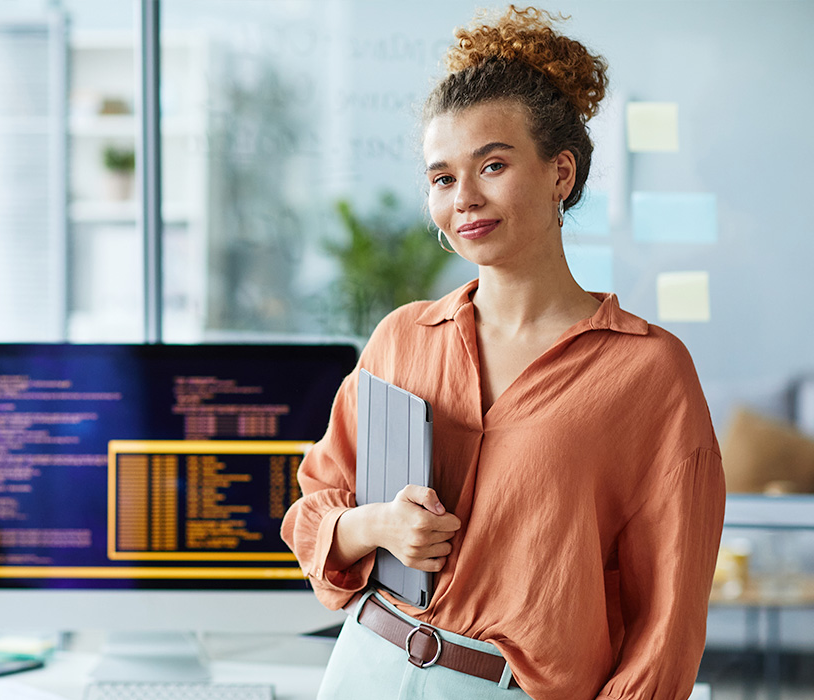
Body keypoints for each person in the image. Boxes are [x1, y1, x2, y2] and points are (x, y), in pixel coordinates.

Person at [281, 6, 725, 700]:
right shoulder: (402, 338)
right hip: (363, 665)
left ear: (561, 173)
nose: (465, 199)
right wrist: (379, 525)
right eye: (442, 177)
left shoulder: (650, 373)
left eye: (492, 165)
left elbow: (665, 624)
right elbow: (315, 505)